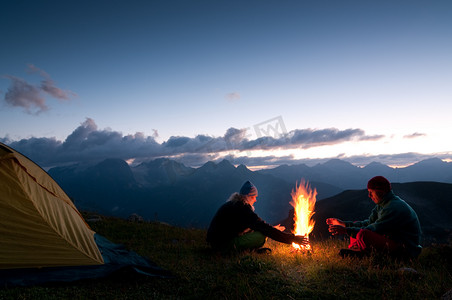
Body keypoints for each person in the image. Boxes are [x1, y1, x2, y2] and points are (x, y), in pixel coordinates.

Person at [326, 176, 422, 259]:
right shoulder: (382, 204)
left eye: (371, 192)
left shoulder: (393, 207)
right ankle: (360, 251)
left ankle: (364, 253)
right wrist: (343, 224)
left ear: (380, 192)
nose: (369, 196)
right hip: (393, 242)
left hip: (405, 250)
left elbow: (374, 229)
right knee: (357, 227)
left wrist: (346, 230)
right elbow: (368, 223)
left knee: (363, 234)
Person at [207, 180, 307, 253]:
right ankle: (240, 251)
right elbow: (264, 228)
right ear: (248, 197)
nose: (255, 200)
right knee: (261, 236)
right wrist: (293, 239)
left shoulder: (234, 205)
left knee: (261, 231)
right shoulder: (243, 209)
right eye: (254, 197)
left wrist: (272, 229)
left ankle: (245, 250)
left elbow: (254, 226)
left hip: (216, 242)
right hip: (222, 246)